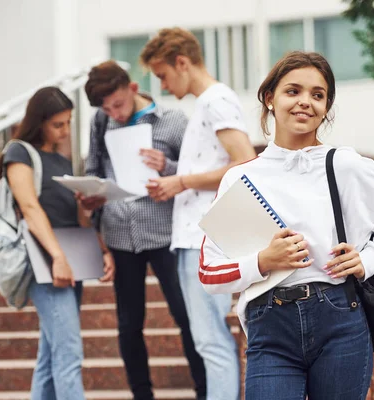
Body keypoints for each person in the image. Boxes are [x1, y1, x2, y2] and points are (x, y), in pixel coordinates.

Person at [198, 51, 374, 400]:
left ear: (326, 106)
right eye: (293, 91)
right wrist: (263, 261)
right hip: (268, 328)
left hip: (340, 319)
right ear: (270, 98)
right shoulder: (240, 178)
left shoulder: (345, 164)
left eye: (318, 95)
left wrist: (368, 259)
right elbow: (209, 271)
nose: (306, 102)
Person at [140, 27, 257, 400]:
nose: (161, 85)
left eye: (162, 75)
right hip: (201, 235)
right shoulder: (210, 102)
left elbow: (245, 162)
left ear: (182, 62)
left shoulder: (214, 101)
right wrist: (180, 179)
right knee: (209, 339)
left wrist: (182, 181)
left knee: (209, 340)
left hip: (204, 238)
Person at [79, 60, 206, 400]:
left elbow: (198, 173)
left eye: (117, 104)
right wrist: (92, 200)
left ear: (132, 89)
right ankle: (141, 394)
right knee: (129, 323)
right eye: (106, 108)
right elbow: (93, 169)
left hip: (166, 233)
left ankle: (205, 390)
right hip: (120, 234)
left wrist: (167, 167)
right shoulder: (100, 122)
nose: (114, 113)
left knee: (185, 316)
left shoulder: (173, 121)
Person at [0, 86, 115, 400]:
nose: (65, 132)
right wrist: (58, 257)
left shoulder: (61, 161)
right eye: (57, 124)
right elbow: (30, 209)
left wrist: (101, 249)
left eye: (68, 123)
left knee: (50, 357)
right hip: (46, 260)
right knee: (69, 353)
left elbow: (73, 217)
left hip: (71, 256)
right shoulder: (19, 152)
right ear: (39, 121)